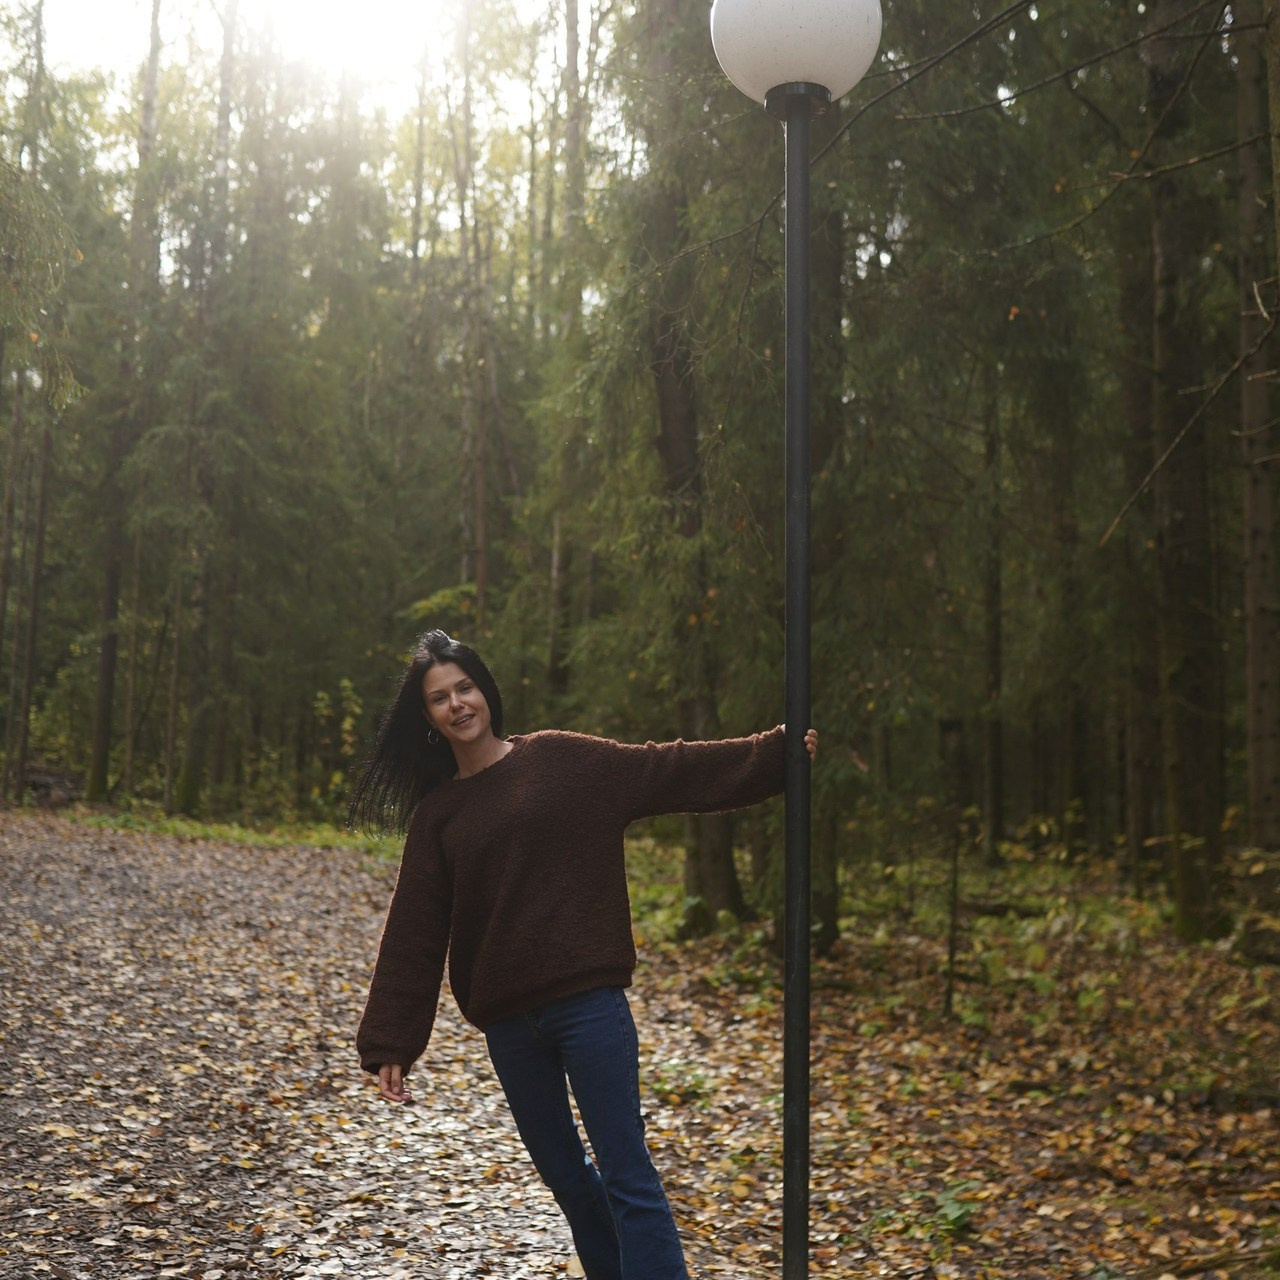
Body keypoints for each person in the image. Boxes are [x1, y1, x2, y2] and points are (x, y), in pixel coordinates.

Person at [349, 629, 818, 1280]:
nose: (457, 704)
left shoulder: (562, 760)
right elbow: (414, 931)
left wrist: (774, 754)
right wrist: (391, 1041)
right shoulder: (438, 816)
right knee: (568, 1180)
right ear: (427, 717)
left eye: (465, 687)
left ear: (486, 690)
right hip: (510, 1028)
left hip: (589, 1010)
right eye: (439, 698)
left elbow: (666, 769)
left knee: (627, 1175)